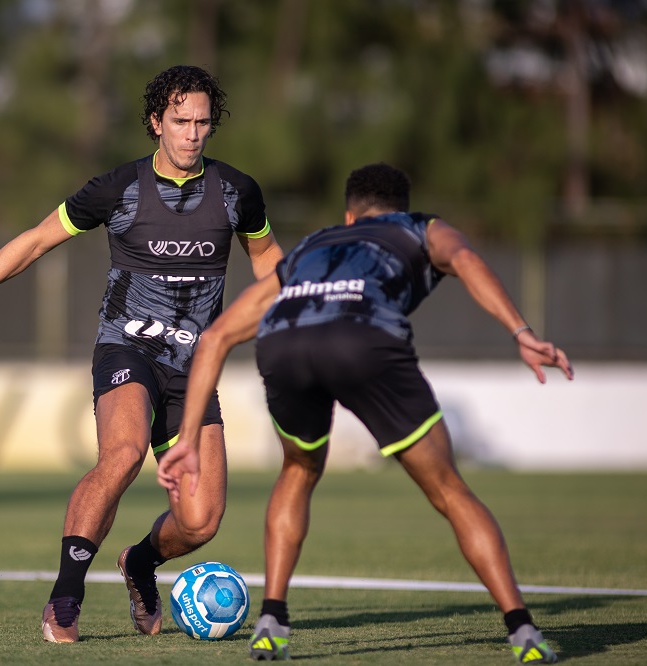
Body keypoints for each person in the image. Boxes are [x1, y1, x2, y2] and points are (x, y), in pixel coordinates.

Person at [157, 162, 572, 663]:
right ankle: (522, 630)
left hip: (285, 345)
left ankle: (271, 621)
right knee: (449, 490)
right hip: (364, 339)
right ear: (402, 209)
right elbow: (464, 258)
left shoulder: (313, 245)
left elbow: (216, 337)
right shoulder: (419, 228)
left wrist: (187, 440)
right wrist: (521, 331)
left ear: (349, 216)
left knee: (298, 469)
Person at [0, 65, 283, 643]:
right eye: (181, 121)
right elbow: (36, 240)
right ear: (156, 122)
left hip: (194, 368)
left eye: (202, 123)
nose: (192, 134)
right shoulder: (119, 188)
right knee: (123, 454)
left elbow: (268, 262)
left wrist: (294, 315)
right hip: (127, 347)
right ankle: (65, 599)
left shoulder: (238, 191)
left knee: (201, 521)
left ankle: (140, 562)